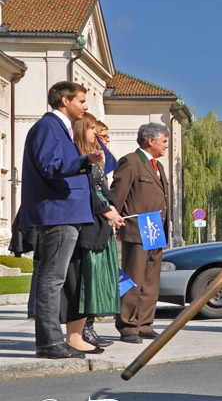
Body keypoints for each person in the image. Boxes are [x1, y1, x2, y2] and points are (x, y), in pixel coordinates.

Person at [17, 82, 105, 359]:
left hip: (67, 214)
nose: (86, 106)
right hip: (58, 214)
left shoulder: (60, 130)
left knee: (56, 279)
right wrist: (84, 161)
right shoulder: (48, 127)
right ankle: (49, 343)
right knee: (51, 279)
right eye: (81, 100)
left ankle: (54, 341)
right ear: (65, 100)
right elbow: (49, 166)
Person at [71, 113, 125, 352]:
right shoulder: (79, 159)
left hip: (102, 226)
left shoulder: (95, 163)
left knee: (98, 279)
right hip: (89, 229)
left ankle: (87, 329)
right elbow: (90, 194)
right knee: (88, 281)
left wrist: (113, 209)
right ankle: (82, 331)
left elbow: (103, 189)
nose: (102, 139)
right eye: (95, 131)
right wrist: (107, 212)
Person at [111, 123, 170, 343]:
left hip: (155, 228)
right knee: (133, 279)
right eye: (164, 141)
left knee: (151, 281)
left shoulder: (158, 166)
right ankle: (128, 325)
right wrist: (113, 220)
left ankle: (145, 323)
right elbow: (117, 195)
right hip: (137, 228)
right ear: (150, 140)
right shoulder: (131, 162)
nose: (166, 145)